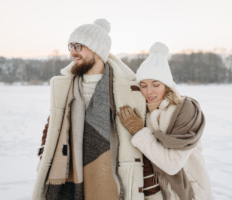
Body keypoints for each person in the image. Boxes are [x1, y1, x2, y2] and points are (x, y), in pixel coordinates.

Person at [31, 19, 147, 200]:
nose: (71, 52)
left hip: (114, 181)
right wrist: (44, 153)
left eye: (78, 46)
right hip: (67, 179)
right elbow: (53, 125)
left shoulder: (128, 90)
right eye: (70, 46)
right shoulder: (65, 87)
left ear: (97, 49)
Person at [117, 42, 214, 200]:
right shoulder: (142, 111)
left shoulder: (185, 109)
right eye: (143, 85)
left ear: (167, 85)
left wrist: (139, 132)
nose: (149, 92)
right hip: (159, 192)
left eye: (156, 85)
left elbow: (172, 164)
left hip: (190, 190)